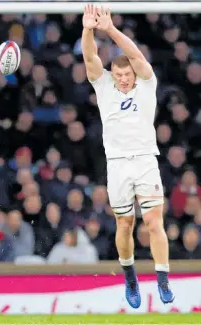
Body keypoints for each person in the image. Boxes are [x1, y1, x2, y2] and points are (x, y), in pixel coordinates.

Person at [81, 5, 174, 308]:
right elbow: (90, 58)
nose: (122, 79)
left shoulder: (146, 84)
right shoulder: (104, 84)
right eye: (118, 74)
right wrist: (88, 29)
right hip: (118, 165)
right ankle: (130, 277)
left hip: (145, 160)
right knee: (124, 225)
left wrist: (109, 29)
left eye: (126, 74)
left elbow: (135, 55)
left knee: (154, 222)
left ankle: (162, 279)